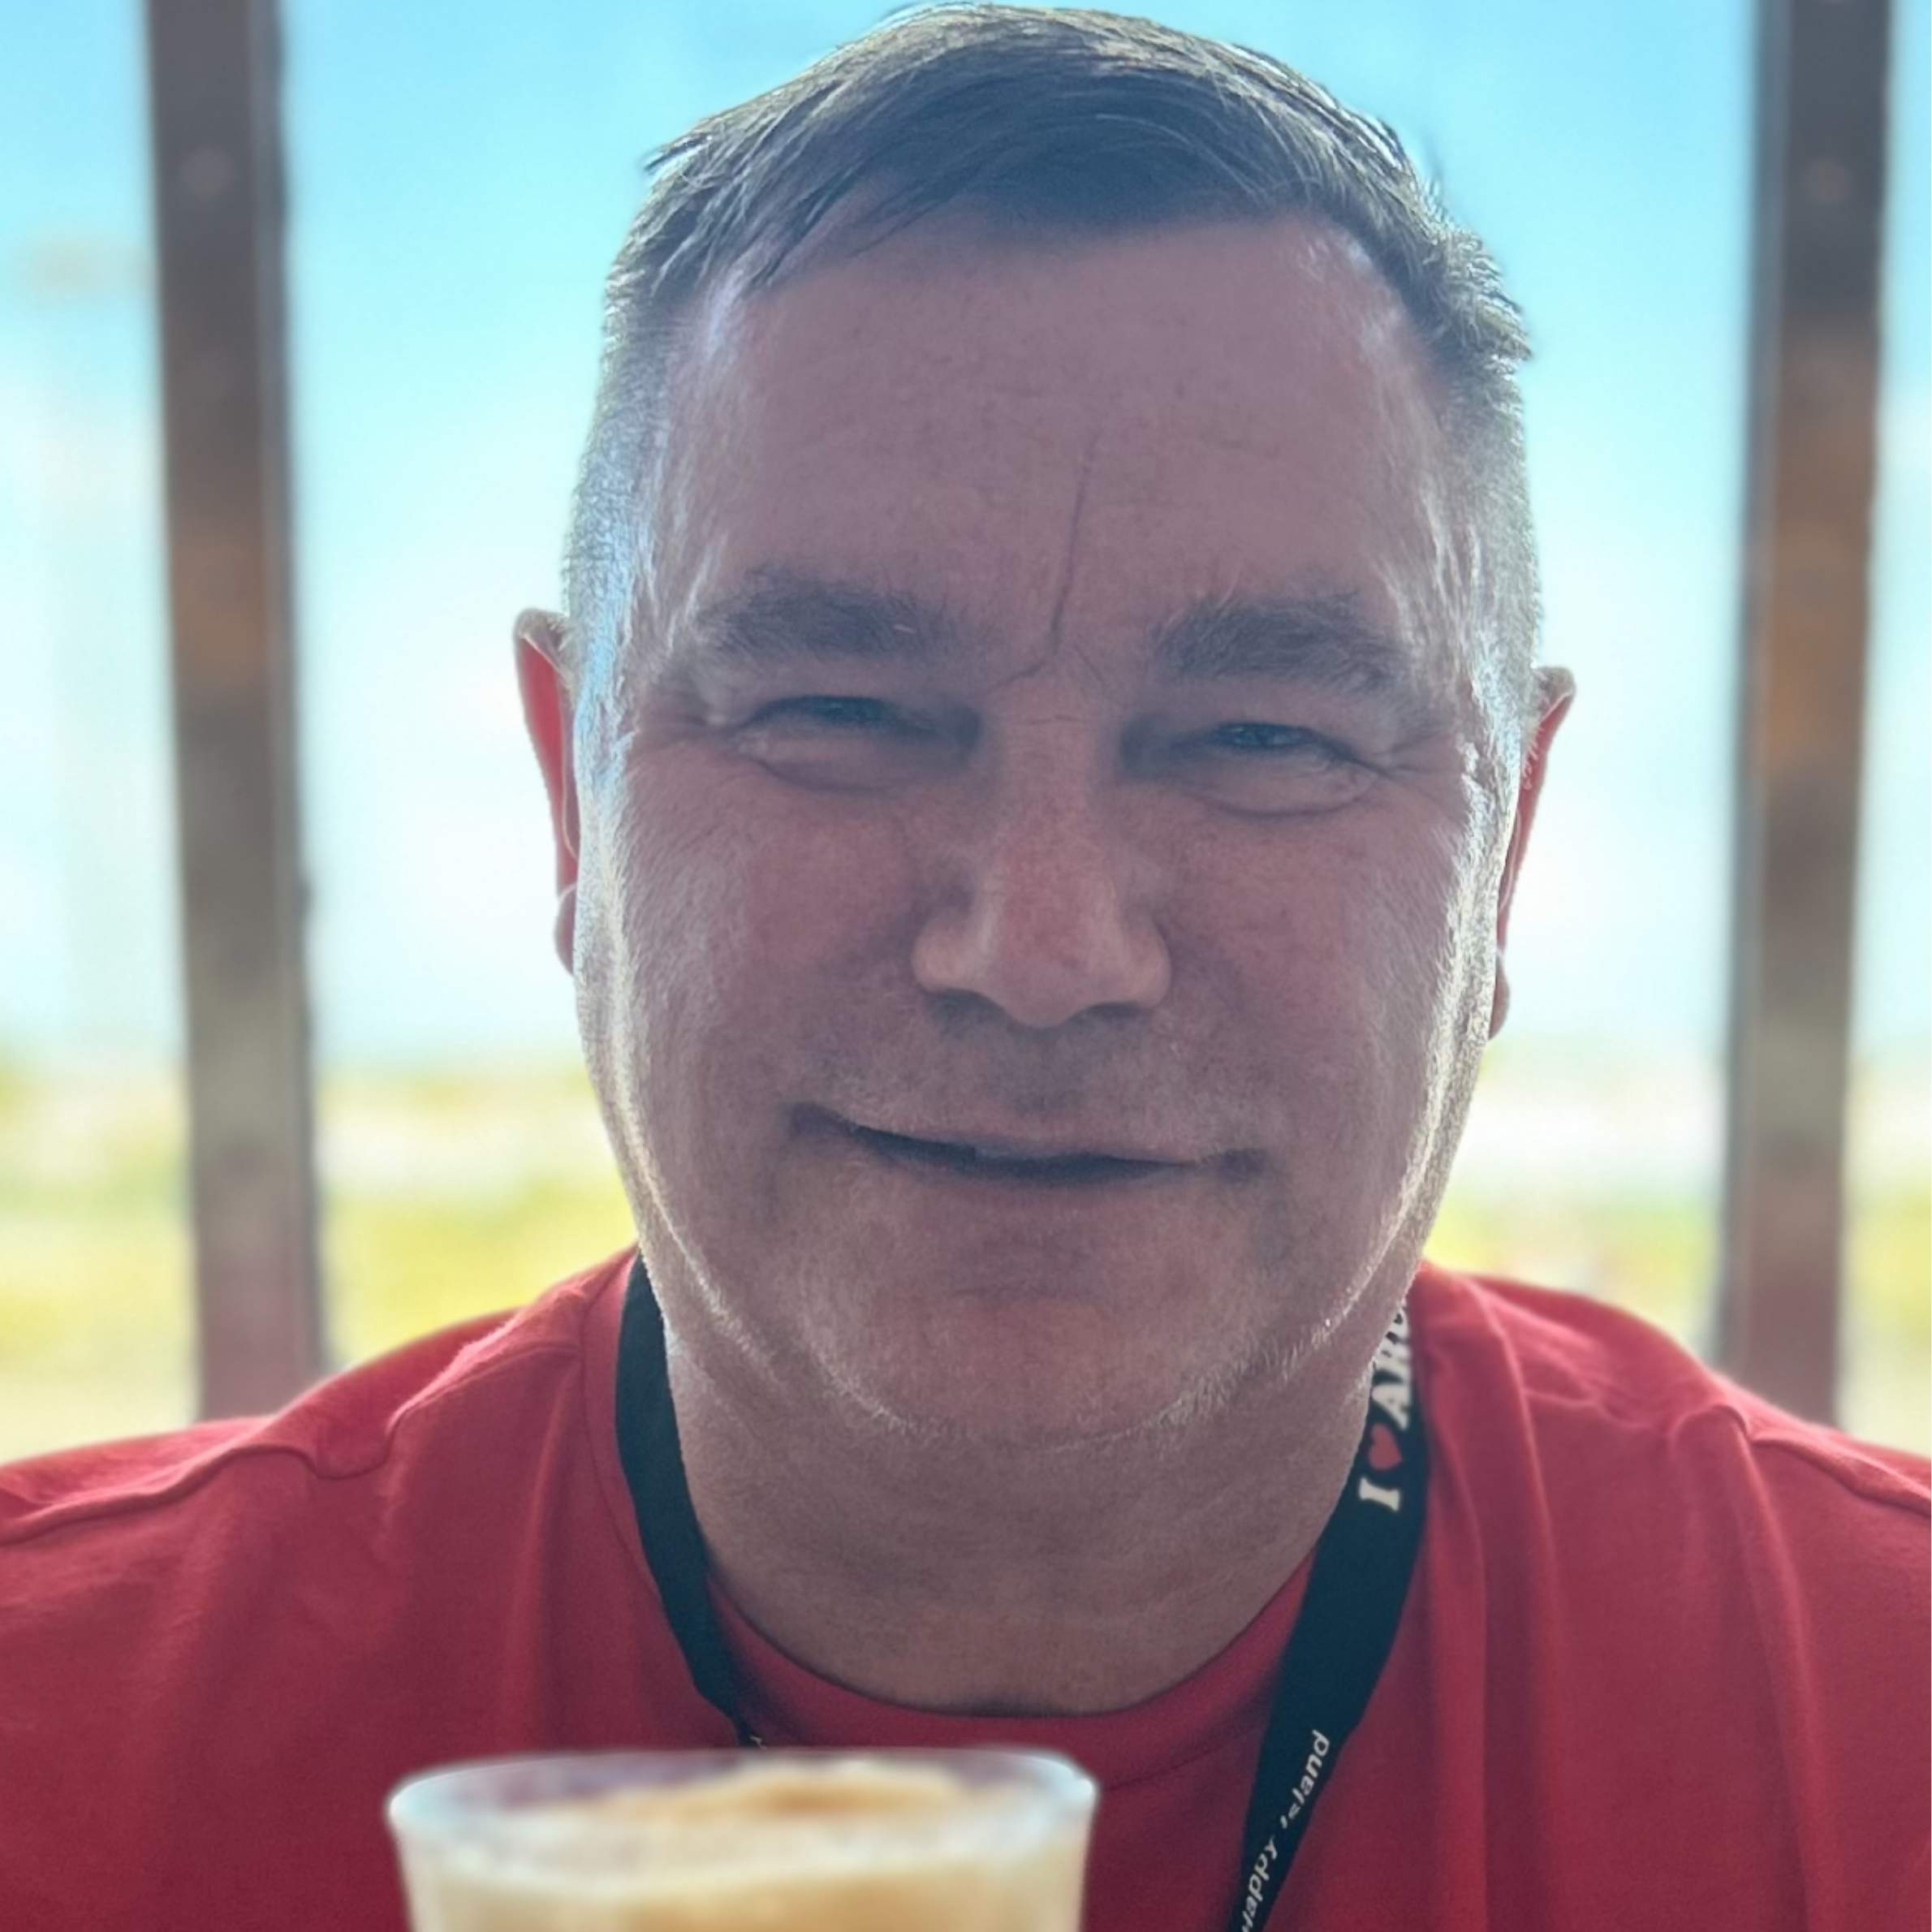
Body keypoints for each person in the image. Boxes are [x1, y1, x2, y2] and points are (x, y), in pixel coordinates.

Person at [2, 6, 1926, 1928]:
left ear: (1499, 852)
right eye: (834, 707)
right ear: (569, 798)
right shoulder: (58, 1734)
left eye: (1263, 737)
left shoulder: (1873, 1724)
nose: (1041, 948)